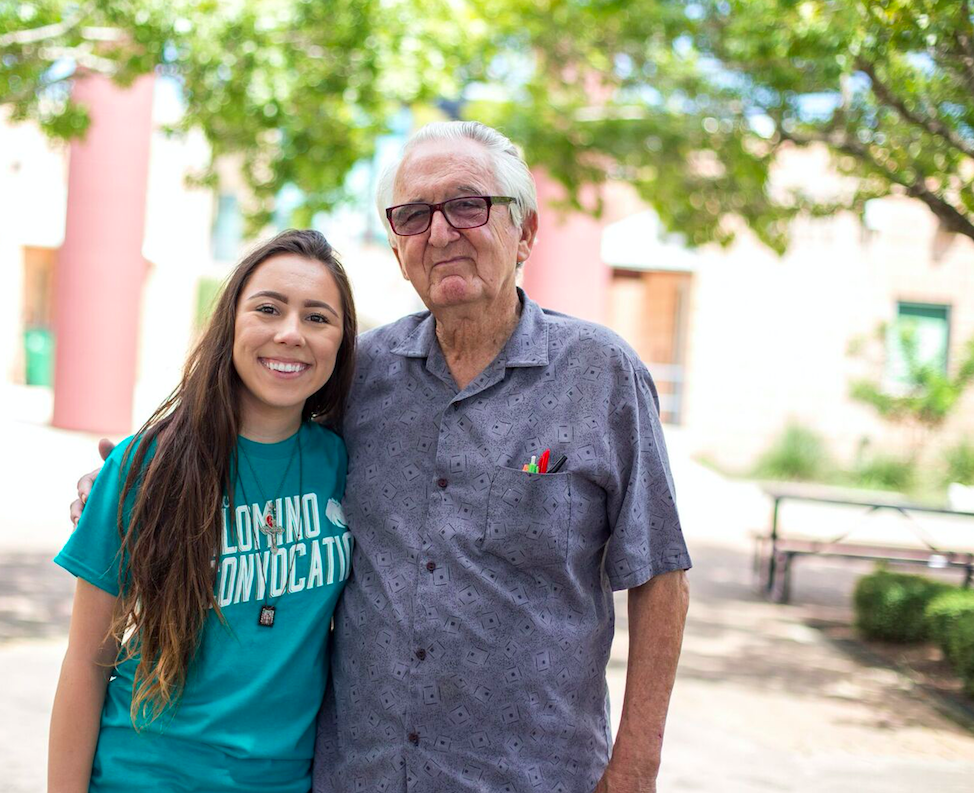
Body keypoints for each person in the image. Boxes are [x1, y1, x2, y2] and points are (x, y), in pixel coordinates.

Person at [71, 121, 691, 793]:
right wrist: (135, 472)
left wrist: (634, 771)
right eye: (414, 215)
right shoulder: (360, 374)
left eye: (466, 205)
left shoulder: (600, 374)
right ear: (398, 248)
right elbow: (252, 416)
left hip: (534, 775)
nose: (441, 232)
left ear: (527, 233)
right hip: (357, 774)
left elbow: (661, 580)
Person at [49, 229, 358, 793]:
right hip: (141, 777)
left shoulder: (345, 462)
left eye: (318, 318)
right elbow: (85, 660)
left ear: (341, 343)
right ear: (231, 323)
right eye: (268, 309)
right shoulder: (147, 462)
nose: (290, 334)